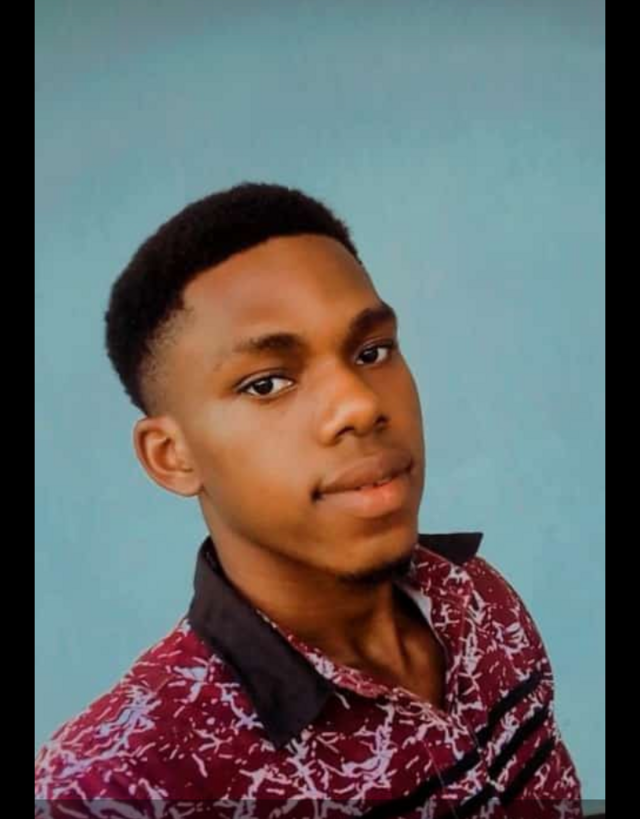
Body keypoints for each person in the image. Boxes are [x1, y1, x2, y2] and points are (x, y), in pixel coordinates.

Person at [35, 183, 583, 818]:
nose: (360, 404)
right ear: (172, 455)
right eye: (267, 383)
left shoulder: (478, 598)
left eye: (372, 351)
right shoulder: (112, 785)